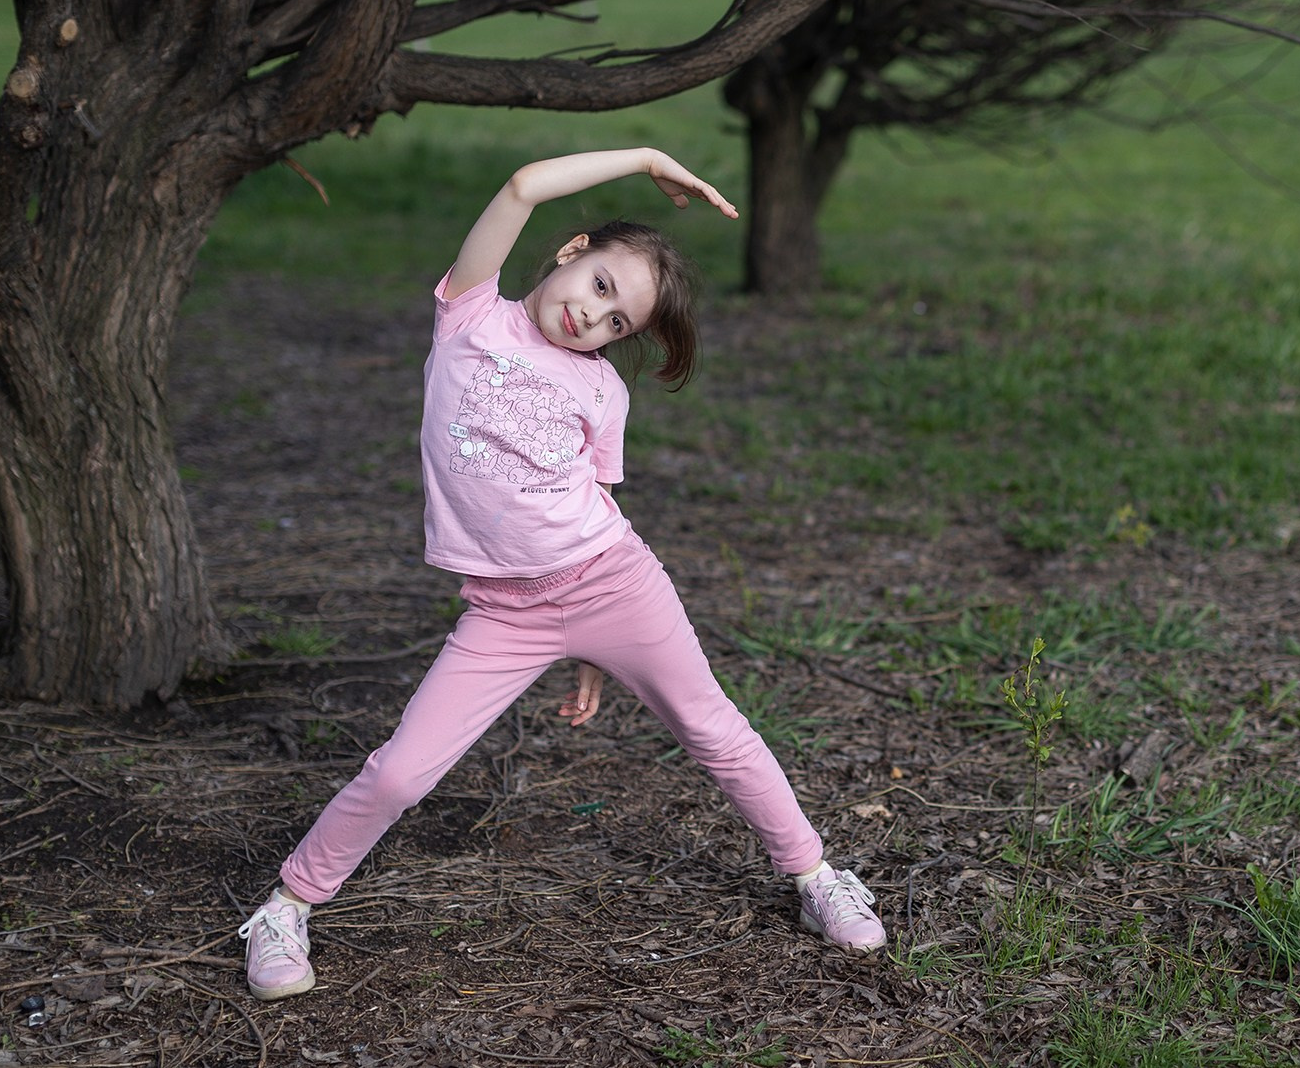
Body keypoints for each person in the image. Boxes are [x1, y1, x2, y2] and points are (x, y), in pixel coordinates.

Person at [237, 148, 886, 1001]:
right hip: (502, 613)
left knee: (716, 732)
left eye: (619, 321)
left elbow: (596, 498)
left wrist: (594, 651)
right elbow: (520, 186)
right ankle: (287, 906)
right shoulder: (470, 313)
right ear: (571, 250)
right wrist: (646, 157)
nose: (593, 316)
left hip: (613, 584)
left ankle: (817, 877)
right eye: (601, 285)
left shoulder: (605, 391)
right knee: (399, 772)